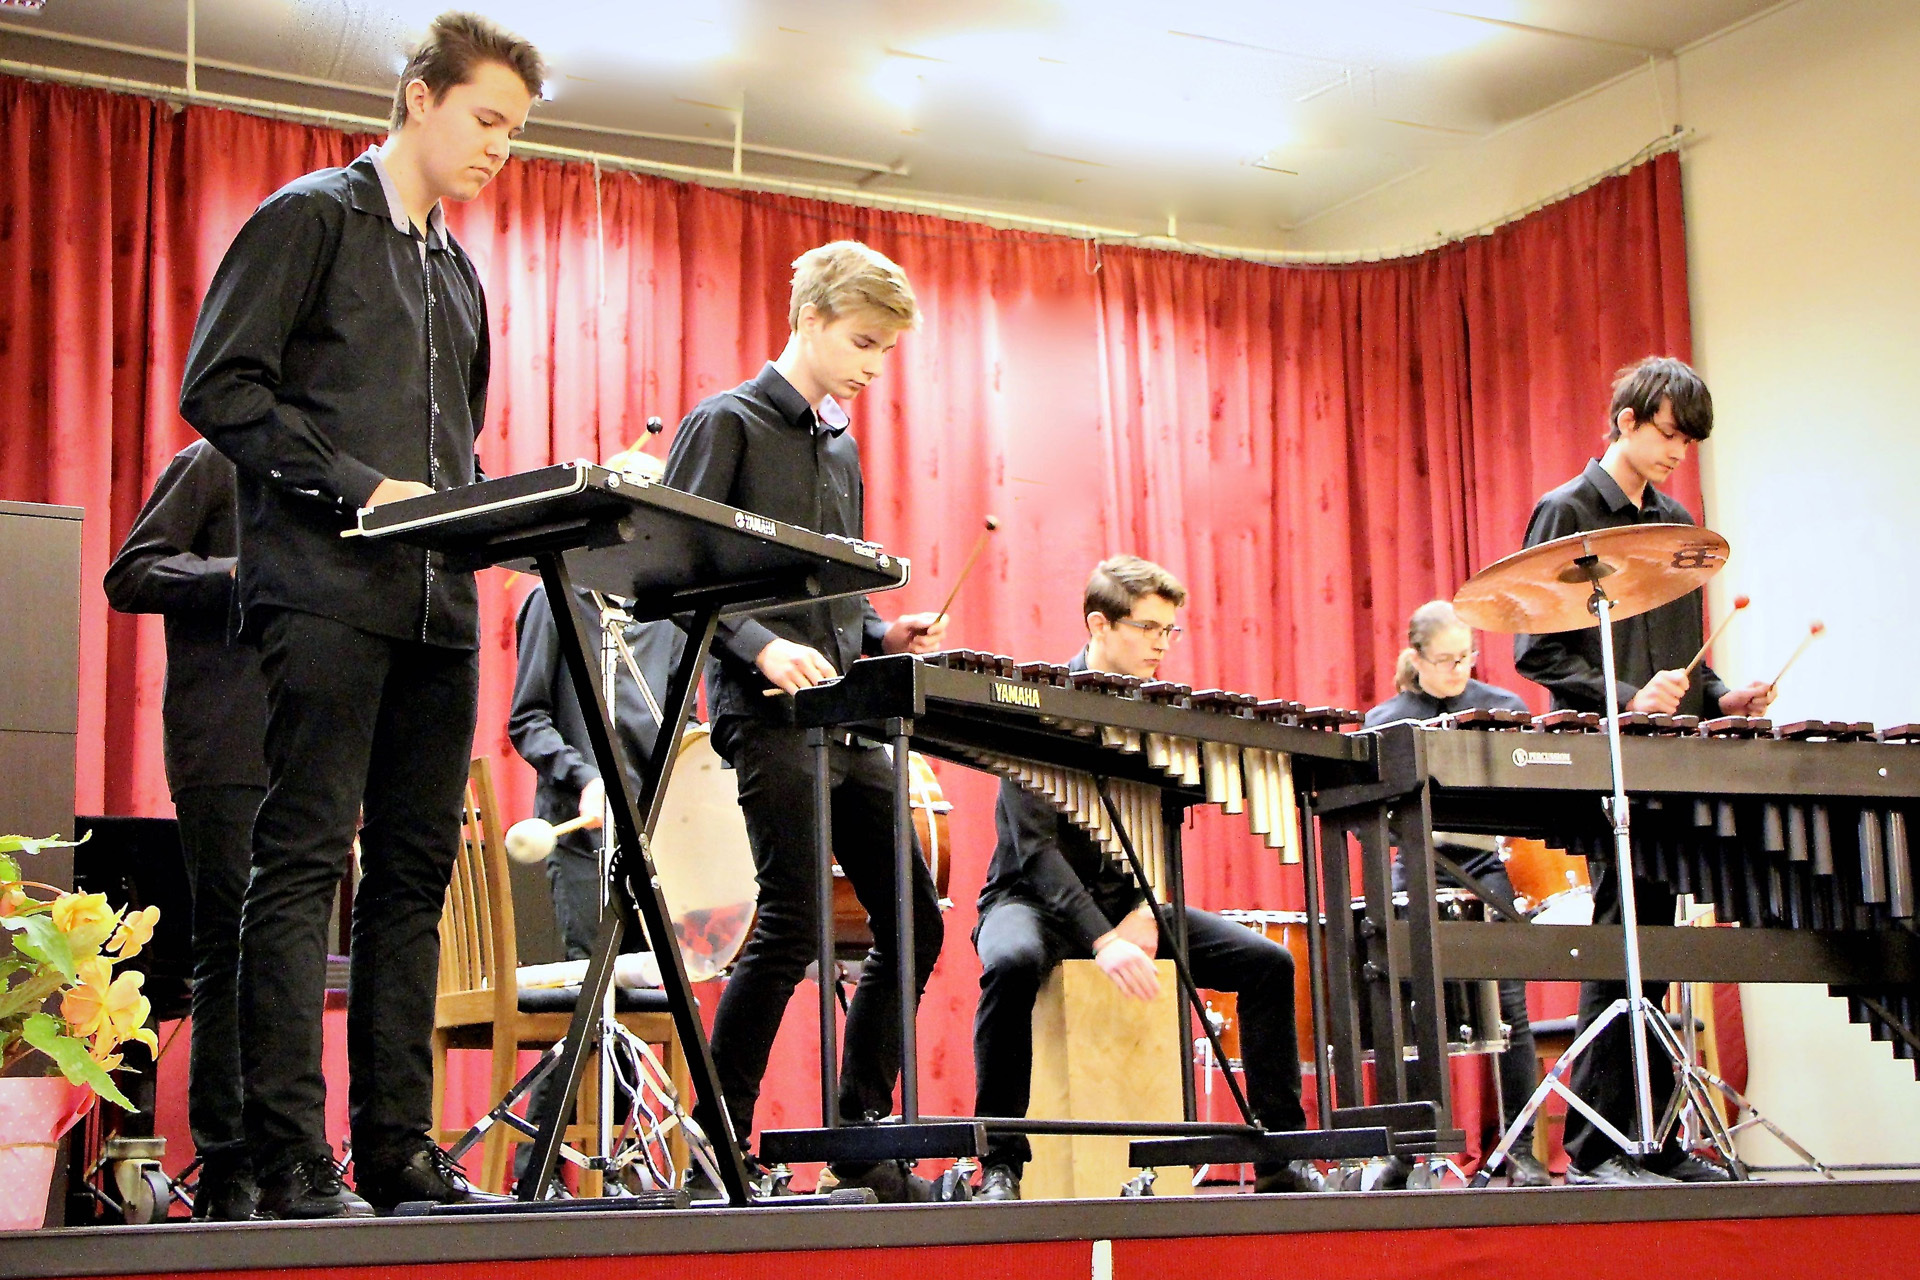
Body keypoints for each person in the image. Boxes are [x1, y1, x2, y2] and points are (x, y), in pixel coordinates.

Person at [178, 12, 544, 1218]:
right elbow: (219, 386)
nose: (498, 147)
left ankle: (398, 1153)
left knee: (413, 876)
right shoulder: (308, 218)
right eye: (485, 118)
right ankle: (288, 1155)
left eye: (514, 132)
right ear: (419, 98)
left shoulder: (458, 272)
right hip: (325, 590)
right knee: (301, 862)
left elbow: (458, 450)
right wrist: (354, 484)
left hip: (440, 611)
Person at [660, 241, 949, 1202]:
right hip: (766, 711)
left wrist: (880, 632)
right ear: (811, 319)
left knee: (914, 923)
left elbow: (834, 591)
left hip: (845, 713)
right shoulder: (726, 424)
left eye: (887, 351)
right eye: (863, 343)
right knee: (793, 923)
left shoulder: (842, 447)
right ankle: (716, 1142)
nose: (875, 366)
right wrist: (759, 646)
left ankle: (860, 1138)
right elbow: (672, 576)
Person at [970, 555, 1320, 1201]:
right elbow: (1035, 851)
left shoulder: (1155, 716)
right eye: (1148, 628)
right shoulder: (1034, 708)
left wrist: (1145, 907)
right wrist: (1102, 938)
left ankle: (1279, 1154)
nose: (1162, 644)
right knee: (1011, 963)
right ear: (1099, 625)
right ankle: (1000, 1164)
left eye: (1170, 631)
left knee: (1269, 964)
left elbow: (1159, 832)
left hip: (1128, 906)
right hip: (1033, 901)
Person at [1513, 355, 1772, 1186]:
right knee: (1623, 939)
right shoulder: (1567, 511)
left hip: (1666, 754)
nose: (1677, 454)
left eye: (1688, 443)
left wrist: (1723, 698)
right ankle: (1601, 1146)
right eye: (1669, 436)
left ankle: (1650, 1139)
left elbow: (1683, 658)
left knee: (1651, 948)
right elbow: (1538, 652)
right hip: (1601, 755)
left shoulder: (1673, 522)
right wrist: (1628, 698)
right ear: (1626, 420)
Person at [506, 448, 683, 1187]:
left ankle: (628, 1159)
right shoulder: (557, 596)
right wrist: (586, 780)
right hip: (579, 846)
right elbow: (529, 720)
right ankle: (536, 1169)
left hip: (654, 843)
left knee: (653, 1001)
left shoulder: (671, 618)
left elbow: (682, 727)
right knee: (596, 994)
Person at [104, 440, 271, 1220]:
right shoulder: (214, 461)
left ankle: (289, 1153)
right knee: (231, 948)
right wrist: (236, 574)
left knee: (289, 956)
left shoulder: (339, 474)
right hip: (225, 740)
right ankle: (231, 1166)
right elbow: (131, 573)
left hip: (313, 749)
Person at [1363, 599, 1551, 1188]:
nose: (1458, 670)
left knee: (1510, 1009)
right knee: (1415, 1011)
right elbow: (1370, 812)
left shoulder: (1502, 707)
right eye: (1446, 660)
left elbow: (1529, 791)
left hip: (1486, 864)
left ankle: (1521, 1150)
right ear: (1416, 658)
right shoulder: (1386, 719)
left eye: (1466, 657)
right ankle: (1408, 1153)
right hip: (1417, 866)